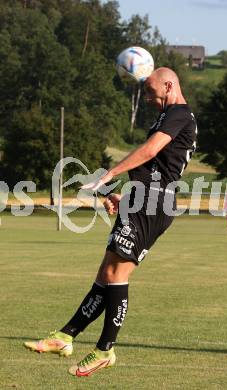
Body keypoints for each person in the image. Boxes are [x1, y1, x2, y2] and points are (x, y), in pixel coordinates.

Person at [24, 67, 197, 377]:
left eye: (151, 93)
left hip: (153, 202)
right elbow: (158, 165)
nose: (146, 99)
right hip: (144, 198)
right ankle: (65, 337)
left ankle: (105, 349)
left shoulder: (179, 114)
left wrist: (111, 174)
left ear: (169, 86)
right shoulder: (167, 116)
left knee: (117, 273)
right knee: (106, 273)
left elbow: (150, 151)